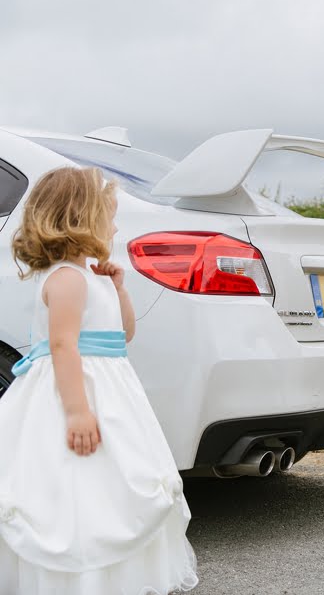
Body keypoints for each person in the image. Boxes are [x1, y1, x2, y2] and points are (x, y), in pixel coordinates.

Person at [0, 167, 198, 594]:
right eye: (109, 215)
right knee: (78, 487)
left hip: (112, 393)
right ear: (81, 218)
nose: (115, 225)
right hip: (76, 394)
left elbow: (123, 334)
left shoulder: (94, 276)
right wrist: (76, 412)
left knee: (113, 488)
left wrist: (121, 289)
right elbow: (63, 347)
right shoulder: (67, 279)